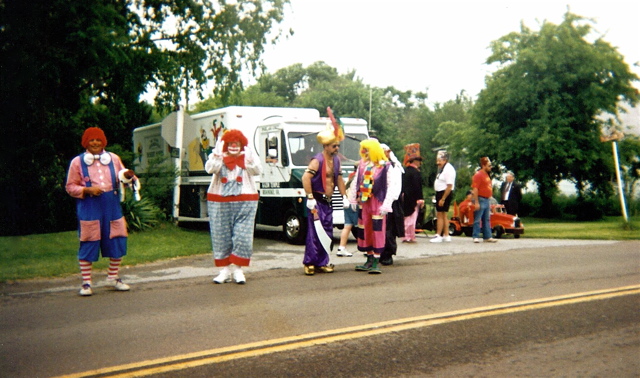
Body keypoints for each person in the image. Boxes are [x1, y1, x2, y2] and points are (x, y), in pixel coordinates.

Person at [66, 127, 137, 296]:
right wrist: (87, 191)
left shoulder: (113, 158)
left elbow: (126, 178)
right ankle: (86, 283)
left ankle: (113, 278)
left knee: (117, 238)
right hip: (89, 206)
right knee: (89, 239)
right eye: (92, 140)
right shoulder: (77, 162)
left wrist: (129, 177)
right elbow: (70, 187)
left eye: (98, 140)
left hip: (111, 204)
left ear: (103, 142)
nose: (95, 143)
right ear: (86, 143)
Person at [206, 129, 262, 284]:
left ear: (241, 145)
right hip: (219, 201)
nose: (233, 147)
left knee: (243, 236)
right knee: (220, 235)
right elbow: (210, 169)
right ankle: (224, 271)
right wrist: (217, 155)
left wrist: (248, 161)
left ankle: (238, 270)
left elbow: (258, 170)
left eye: (236, 144)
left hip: (246, 200)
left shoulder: (248, 157)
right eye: (230, 144)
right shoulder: (218, 157)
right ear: (226, 145)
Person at [302, 124, 347, 275]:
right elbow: (305, 178)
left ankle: (322, 262)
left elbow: (339, 179)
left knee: (327, 232)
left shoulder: (336, 161)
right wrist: (309, 197)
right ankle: (309, 262)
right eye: (334, 146)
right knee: (314, 232)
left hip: (328, 202)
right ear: (326, 146)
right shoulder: (317, 160)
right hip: (316, 201)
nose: (337, 148)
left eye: (338, 146)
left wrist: (344, 196)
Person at [348, 139, 395, 274]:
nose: (364, 152)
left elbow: (391, 186)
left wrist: (387, 204)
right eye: (363, 149)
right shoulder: (363, 165)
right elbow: (356, 182)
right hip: (365, 202)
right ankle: (368, 259)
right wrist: (352, 198)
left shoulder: (385, 166)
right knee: (365, 230)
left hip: (378, 202)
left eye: (367, 149)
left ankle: (376, 260)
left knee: (377, 230)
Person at [379, 144, 404, 265]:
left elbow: (396, 186)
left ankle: (388, 253)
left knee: (389, 229)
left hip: (391, 201)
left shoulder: (395, 167)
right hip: (378, 200)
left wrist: (389, 201)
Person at [431, 150, 456, 243]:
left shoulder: (448, 169)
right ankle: (446, 234)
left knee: (440, 214)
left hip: (444, 193)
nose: (438, 163)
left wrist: (443, 198)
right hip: (440, 192)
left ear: (445, 160)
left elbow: (449, 186)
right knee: (443, 214)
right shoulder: (443, 169)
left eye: (439, 161)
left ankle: (439, 234)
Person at [471, 157, 498, 243]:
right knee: (478, 218)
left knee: (486, 219)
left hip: (487, 199)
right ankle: (475, 236)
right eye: (489, 165)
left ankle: (487, 236)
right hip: (480, 198)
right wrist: (476, 202)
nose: (490, 167)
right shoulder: (478, 175)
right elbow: (475, 189)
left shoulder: (486, 175)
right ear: (483, 165)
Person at [401, 143, 424, 243]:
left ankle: (406, 235)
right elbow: (417, 187)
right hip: (413, 197)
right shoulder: (415, 172)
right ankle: (409, 236)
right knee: (412, 218)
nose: (420, 163)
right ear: (414, 161)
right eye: (418, 161)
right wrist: (420, 198)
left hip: (405, 196)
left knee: (406, 217)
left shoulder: (405, 171)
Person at [337, 165, 358, 257]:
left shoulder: (351, 177)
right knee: (361, 227)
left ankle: (341, 247)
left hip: (347, 203)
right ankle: (366, 249)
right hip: (354, 204)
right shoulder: (358, 178)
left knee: (347, 226)